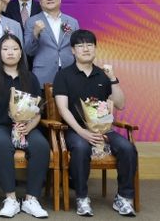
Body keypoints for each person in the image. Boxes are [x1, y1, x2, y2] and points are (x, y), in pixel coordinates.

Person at [53, 29, 137, 217]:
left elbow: (120, 104)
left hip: (104, 128)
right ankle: (82, 197)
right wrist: (82, 132)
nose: (86, 49)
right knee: (81, 147)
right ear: (73, 50)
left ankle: (124, 197)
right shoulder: (63, 75)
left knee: (127, 148)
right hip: (75, 130)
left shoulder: (103, 75)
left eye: (90, 45)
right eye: (80, 45)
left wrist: (113, 79)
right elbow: (63, 109)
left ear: (95, 48)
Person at [0, 34, 49, 218]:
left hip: (26, 126)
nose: (10, 52)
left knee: (41, 145)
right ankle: (11, 199)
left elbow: (38, 111)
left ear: (21, 53)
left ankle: (31, 199)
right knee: (1, 144)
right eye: (6, 49)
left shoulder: (30, 78)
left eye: (15, 49)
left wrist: (29, 127)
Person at [25, 0, 79, 88]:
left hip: (69, 72)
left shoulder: (72, 22)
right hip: (43, 74)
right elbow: (28, 51)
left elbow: (77, 48)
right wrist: (35, 33)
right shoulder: (32, 22)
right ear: (40, 1)